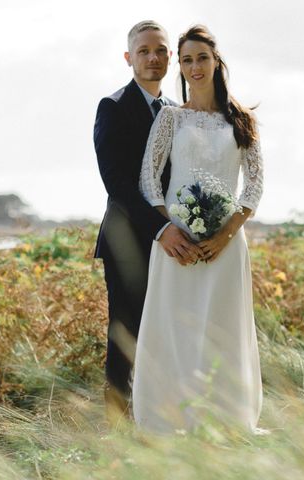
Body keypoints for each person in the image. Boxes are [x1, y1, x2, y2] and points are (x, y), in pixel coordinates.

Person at [133, 24, 264, 434]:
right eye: (186, 59)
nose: (194, 67)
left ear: (216, 61)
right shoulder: (171, 117)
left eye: (201, 58)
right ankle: (168, 419)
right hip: (178, 244)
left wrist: (225, 234)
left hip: (226, 247)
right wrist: (172, 228)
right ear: (181, 65)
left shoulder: (240, 119)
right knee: (174, 326)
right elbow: (149, 181)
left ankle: (224, 420)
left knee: (222, 328)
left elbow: (255, 184)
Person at [93, 20, 203, 422]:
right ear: (129, 58)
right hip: (128, 242)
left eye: (160, 50)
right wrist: (160, 229)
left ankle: (163, 418)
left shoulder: (178, 112)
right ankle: (117, 429)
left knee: (168, 332)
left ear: (169, 57)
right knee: (125, 336)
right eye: (144, 51)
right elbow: (116, 183)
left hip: (177, 240)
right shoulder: (113, 107)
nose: (153, 57)